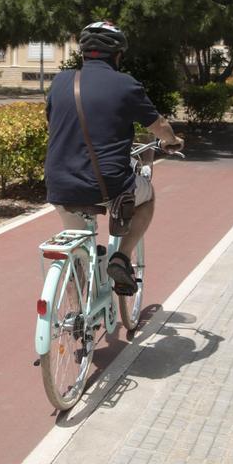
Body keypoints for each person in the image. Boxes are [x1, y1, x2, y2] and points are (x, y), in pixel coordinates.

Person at [44, 21, 183, 296]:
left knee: (79, 243)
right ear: (117, 55)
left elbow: (52, 123)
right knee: (149, 196)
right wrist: (173, 141)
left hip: (58, 184)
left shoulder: (60, 81)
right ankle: (121, 257)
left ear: (83, 53)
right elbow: (160, 126)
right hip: (108, 185)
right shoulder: (125, 85)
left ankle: (75, 311)